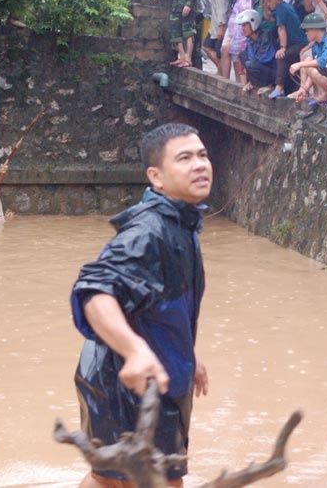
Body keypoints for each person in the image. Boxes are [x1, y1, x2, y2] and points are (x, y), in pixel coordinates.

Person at [69, 122, 212, 488]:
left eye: (202, 155)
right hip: (123, 382)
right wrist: (135, 351)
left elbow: (164, 303)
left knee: (118, 477)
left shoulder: (182, 222)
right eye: (185, 158)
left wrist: (187, 353)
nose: (200, 165)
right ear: (156, 177)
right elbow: (95, 290)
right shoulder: (149, 232)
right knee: (139, 480)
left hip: (160, 372)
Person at [147, 0, 201, 68]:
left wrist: (188, 4)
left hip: (187, 5)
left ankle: (188, 58)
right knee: (174, 30)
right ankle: (181, 56)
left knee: (188, 31)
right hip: (176, 4)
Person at [289, 12, 327, 109]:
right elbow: (312, 70)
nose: (306, 33)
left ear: (315, 29)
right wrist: (304, 88)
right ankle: (324, 94)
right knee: (308, 61)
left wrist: (299, 64)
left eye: (307, 30)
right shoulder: (316, 44)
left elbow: (322, 62)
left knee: (307, 63)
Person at [262, 0, 308, 99]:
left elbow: (281, 28)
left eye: (270, 1)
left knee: (281, 56)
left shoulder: (282, 8)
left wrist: (283, 47)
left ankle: (279, 87)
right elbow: (270, 19)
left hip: (300, 43)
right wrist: (264, 6)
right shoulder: (282, 8)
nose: (269, 4)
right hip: (295, 43)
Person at [199, 0, 231, 74]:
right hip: (215, 26)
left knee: (214, 49)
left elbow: (222, 10)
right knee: (208, 46)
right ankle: (220, 68)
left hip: (219, 25)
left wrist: (221, 27)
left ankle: (221, 69)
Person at [237, 8, 277, 92]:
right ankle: (252, 84)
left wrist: (250, 64)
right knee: (243, 55)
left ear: (253, 23)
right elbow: (249, 58)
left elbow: (263, 58)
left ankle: (270, 86)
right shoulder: (250, 41)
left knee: (250, 64)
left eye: (244, 25)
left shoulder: (266, 36)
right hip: (260, 69)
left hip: (272, 72)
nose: (242, 29)